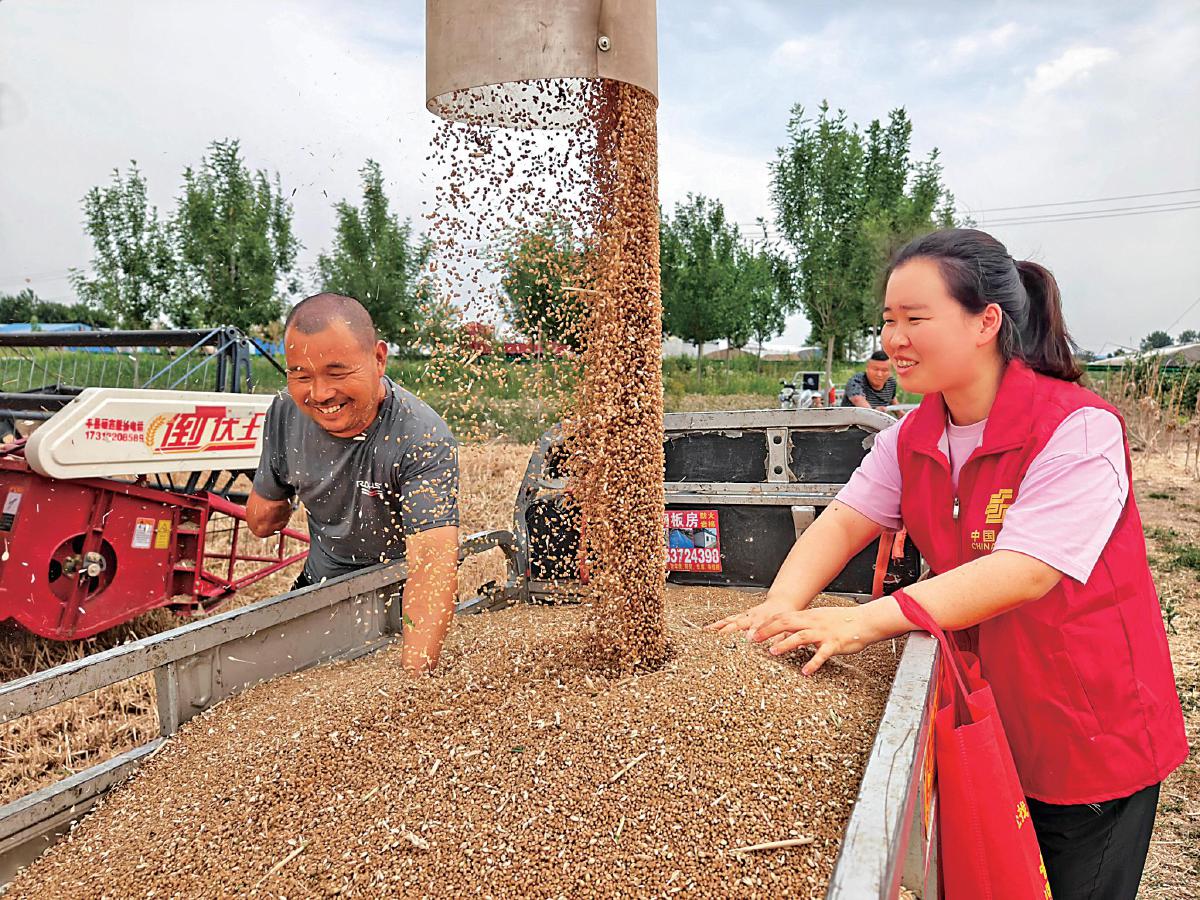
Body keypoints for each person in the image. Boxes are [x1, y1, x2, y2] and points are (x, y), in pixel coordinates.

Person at [708, 229, 1186, 899]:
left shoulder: (1077, 427)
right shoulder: (913, 435)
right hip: (983, 717)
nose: (894, 339)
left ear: (986, 322)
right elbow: (844, 521)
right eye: (887, 320)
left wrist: (864, 621)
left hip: (1085, 726)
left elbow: (1026, 569)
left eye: (915, 318)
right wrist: (782, 605)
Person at [246, 293, 460, 675]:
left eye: (337, 372)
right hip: (320, 588)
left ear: (378, 359)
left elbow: (431, 567)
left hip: (396, 601)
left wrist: (415, 681)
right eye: (301, 375)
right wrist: (272, 504)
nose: (320, 393)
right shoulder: (285, 411)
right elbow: (262, 522)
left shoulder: (419, 437)